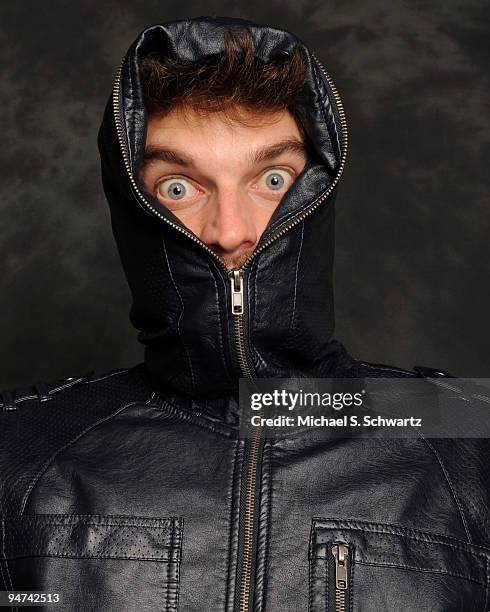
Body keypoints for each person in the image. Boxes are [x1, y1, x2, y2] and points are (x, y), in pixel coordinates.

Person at [1, 16, 488, 612]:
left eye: (273, 179)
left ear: (318, 190)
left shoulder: (466, 434)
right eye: (179, 187)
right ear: (131, 207)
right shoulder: (19, 446)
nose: (230, 231)